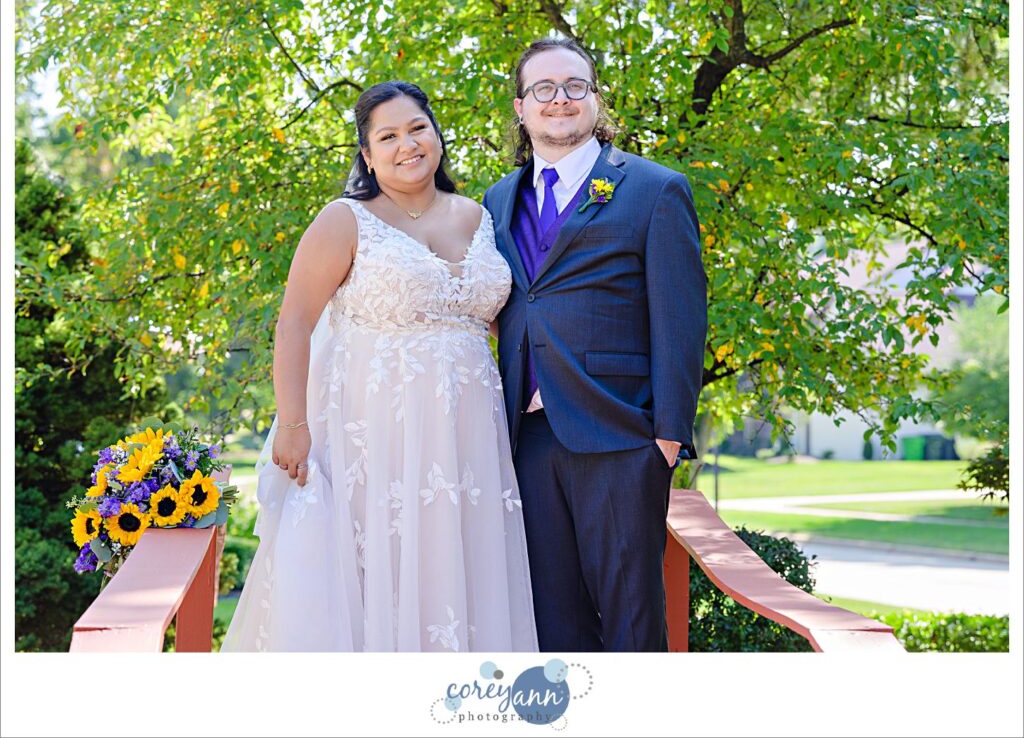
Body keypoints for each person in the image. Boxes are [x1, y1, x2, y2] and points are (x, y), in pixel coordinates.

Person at [222, 81, 538, 652]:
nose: (407, 144)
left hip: (468, 439)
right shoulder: (346, 220)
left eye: (417, 128)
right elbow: (294, 322)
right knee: (377, 569)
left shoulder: (481, 216)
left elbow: (503, 317)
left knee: (456, 564)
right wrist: (293, 423)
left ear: (436, 134)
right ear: (367, 156)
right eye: (387, 136)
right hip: (372, 438)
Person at [482, 38, 707, 652]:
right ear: (522, 108)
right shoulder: (497, 201)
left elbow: (681, 319)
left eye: (575, 86)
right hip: (524, 440)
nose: (561, 100)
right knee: (550, 620)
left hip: (619, 437)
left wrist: (666, 436)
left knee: (632, 615)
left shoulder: (653, 190)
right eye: (544, 90)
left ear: (595, 98)